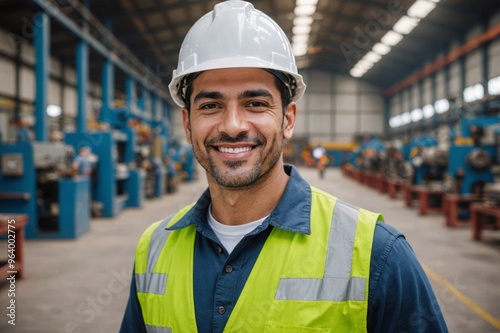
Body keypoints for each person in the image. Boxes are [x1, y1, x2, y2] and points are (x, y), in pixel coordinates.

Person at [120, 1, 448, 332]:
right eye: (210, 105)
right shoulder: (154, 248)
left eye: (256, 104)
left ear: (288, 120)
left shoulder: (377, 254)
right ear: (188, 124)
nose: (233, 125)